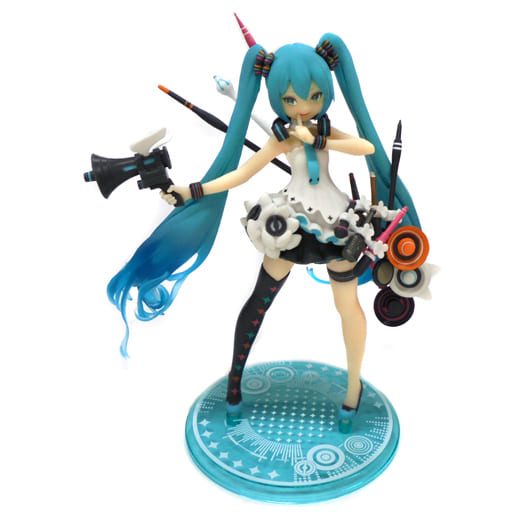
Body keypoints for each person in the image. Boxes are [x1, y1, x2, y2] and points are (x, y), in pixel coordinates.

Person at [108, 33, 419, 427]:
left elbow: (367, 147)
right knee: (260, 300)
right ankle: (234, 385)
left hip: (337, 223)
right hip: (289, 223)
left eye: (313, 97)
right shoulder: (281, 137)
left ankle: (352, 391)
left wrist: (320, 138)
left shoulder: (324, 129)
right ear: (276, 99)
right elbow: (242, 173)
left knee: (347, 307)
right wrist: (193, 190)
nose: (303, 106)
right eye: (291, 100)